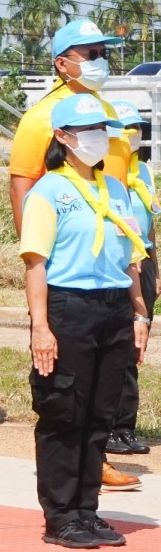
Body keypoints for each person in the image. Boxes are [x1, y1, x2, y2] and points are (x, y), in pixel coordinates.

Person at [22, 94, 149, 545]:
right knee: (64, 411)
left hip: (113, 306)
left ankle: (87, 508)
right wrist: (40, 326)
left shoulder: (115, 189)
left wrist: (139, 312)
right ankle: (61, 516)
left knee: (100, 413)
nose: (98, 138)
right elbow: (35, 263)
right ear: (63, 137)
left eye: (102, 129)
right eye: (88, 130)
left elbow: (130, 258)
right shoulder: (48, 191)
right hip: (68, 306)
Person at [11, 19, 134, 222]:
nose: (101, 61)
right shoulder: (40, 117)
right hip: (68, 240)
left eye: (104, 54)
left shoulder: (109, 113)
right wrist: (33, 250)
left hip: (117, 236)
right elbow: (21, 189)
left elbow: (121, 179)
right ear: (61, 63)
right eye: (91, 55)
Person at [112, 123, 158, 455]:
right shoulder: (109, 176)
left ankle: (125, 424)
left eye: (136, 129)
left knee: (136, 349)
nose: (132, 136)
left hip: (142, 259)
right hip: (120, 262)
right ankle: (112, 425)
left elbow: (149, 223)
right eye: (125, 130)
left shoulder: (144, 171)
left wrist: (154, 263)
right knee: (120, 346)